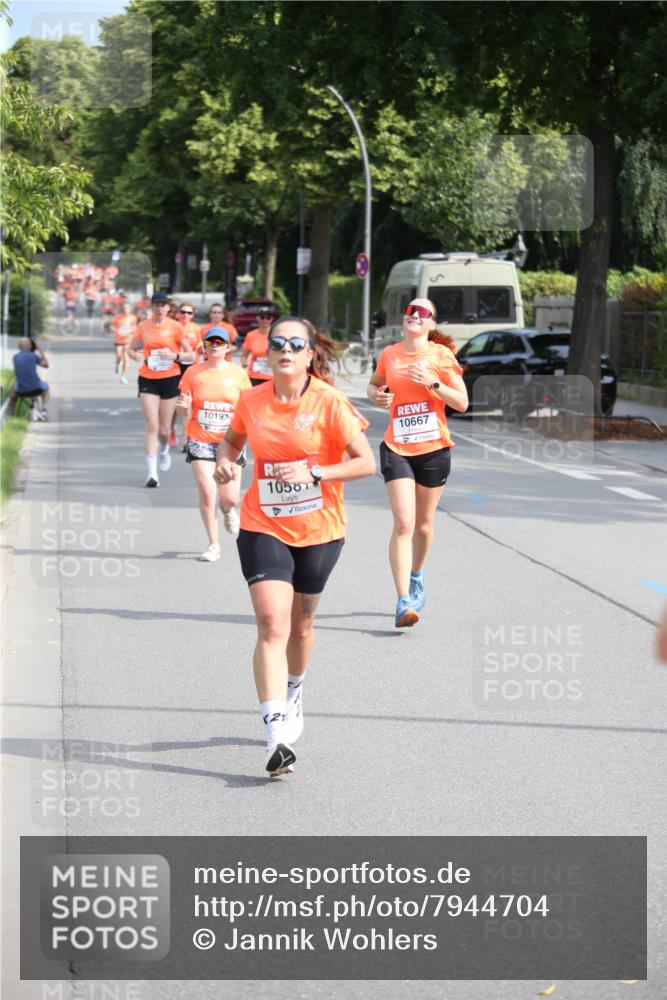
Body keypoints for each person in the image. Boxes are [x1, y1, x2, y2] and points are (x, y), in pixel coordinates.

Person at [214, 317, 375, 777]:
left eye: (295, 344)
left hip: (320, 528)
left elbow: (364, 462)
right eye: (277, 343)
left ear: (309, 355)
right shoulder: (252, 399)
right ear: (267, 354)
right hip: (262, 522)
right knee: (271, 622)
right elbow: (230, 444)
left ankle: (295, 687)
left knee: (302, 627)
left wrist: (317, 473)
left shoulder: (329, 401)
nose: (285, 350)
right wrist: (226, 465)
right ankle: (274, 734)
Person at [367, 298, 468, 628]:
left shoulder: (440, 356)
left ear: (431, 324)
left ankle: (416, 576)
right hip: (397, 447)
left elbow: (463, 402)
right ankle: (402, 600)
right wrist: (376, 396)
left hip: (433, 448)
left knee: (423, 526)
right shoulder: (390, 354)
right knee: (404, 524)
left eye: (423, 313)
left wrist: (434, 384)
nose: (415, 315)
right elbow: (374, 385)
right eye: (411, 310)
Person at [176, 327, 251, 561]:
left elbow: (249, 408)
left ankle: (229, 510)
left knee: (229, 497)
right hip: (200, 440)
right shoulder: (193, 373)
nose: (215, 345)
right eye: (210, 342)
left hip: (231, 442)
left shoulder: (238, 374)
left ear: (228, 347)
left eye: (220, 342)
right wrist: (182, 410)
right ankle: (213, 545)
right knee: (208, 493)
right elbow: (184, 410)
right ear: (204, 347)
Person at [128, 291, 189, 487]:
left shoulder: (176, 327)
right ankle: (152, 473)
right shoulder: (143, 326)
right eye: (157, 304)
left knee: (164, 429)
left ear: (168, 308)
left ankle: (164, 449)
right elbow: (131, 348)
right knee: (151, 425)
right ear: (152, 306)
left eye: (163, 305)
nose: (160, 308)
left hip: (170, 378)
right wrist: (135, 356)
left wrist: (175, 356)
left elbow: (190, 355)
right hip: (148, 377)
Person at [11, 337, 50, 417]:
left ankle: (12, 410)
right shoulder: (33, 356)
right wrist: (39, 349)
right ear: (29, 346)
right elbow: (46, 365)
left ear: (19, 346)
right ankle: (44, 409)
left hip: (21, 391)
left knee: (14, 386)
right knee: (46, 387)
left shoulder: (15, 357)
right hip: (37, 388)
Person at [242, 305, 279, 385]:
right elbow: (244, 356)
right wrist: (244, 363)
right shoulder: (251, 335)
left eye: (268, 317)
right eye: (262, 317)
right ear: (257, 318)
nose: (265, 320)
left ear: (272, 319)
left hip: (272, 377)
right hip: (255, 377)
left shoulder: (277, 335)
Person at [111, 301, 137, 384]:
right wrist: (116, 330)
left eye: (127, 308)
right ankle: (118, 364)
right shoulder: (117, 317)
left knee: (126, 357)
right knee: (118, 355)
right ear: (122, 309)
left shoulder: (133, 318)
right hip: (118, 339)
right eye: (124, 308)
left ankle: (123, 376)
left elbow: (134, 327)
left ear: (130, 309)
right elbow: (112, 326)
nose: (126, 309)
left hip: (128, 339)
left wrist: (132, 331)